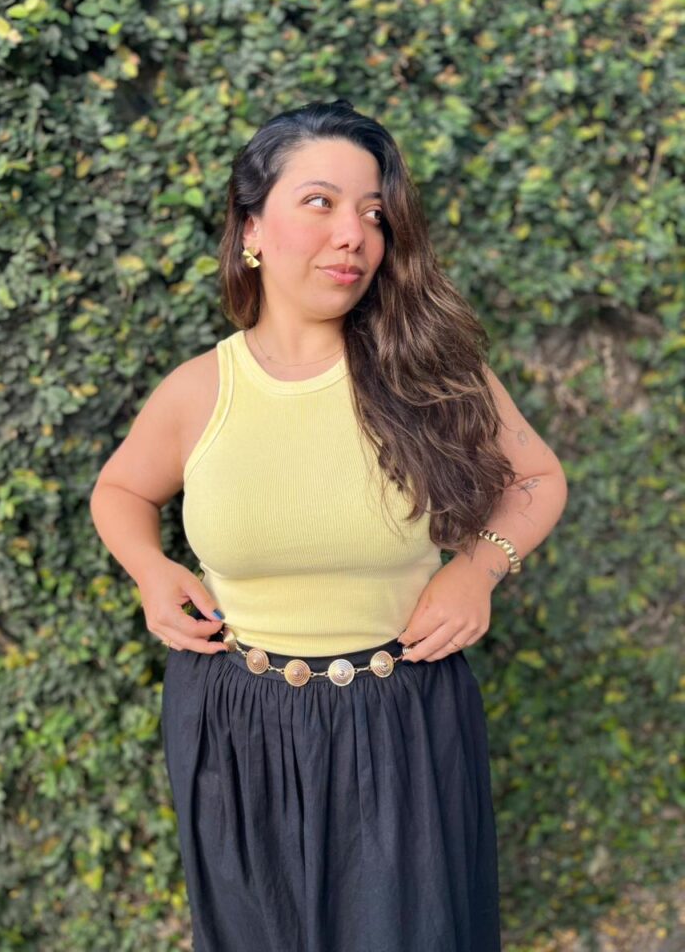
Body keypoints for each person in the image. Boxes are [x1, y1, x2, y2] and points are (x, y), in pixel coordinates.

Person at [89, 98, 569, 952]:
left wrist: (479, 568)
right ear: (252, 228)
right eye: (320, 202)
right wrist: (152, 571)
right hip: (232, 727)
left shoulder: (431, 371)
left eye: (374, 214)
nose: (353, 234)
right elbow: (121, 490)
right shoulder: (201, 390)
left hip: (401, 724)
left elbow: (536, 477)